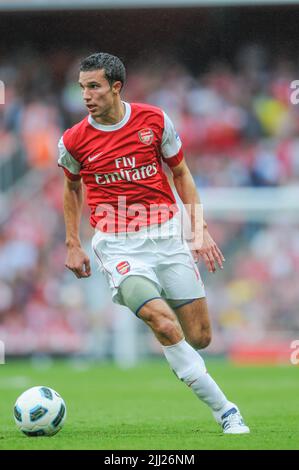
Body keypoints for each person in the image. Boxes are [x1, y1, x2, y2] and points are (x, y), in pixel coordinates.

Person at [58, 52, 250, 434]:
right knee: (162, 322)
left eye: (94, 86)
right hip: (117, 243)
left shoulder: (155, 120)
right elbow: (71, 187)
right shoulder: (74, 140)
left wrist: (198, 228)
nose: (86, 96)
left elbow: (180, 172)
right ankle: (225, 410)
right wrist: (72, 243)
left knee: (200, 337)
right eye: (82, 88)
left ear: (116, 87)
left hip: (166, 237)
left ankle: (171, 339)